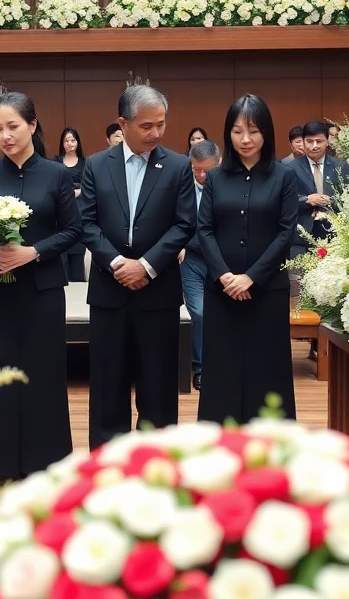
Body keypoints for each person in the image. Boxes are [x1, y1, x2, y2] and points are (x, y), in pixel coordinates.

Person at [0, 93, 81, 478]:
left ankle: (44, 455)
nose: (6, 136)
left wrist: (34, 252)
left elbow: (74, 230)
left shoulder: (56, 174)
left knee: (41, 368)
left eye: (13, 126)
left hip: (41, 290)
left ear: (32, 125)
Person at [80, 82, 195, 449]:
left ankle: (156, 461)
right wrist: (118, 263)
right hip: (109, 291)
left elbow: (184, 225)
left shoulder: (177, 166)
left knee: (158, 386)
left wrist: (145, 266)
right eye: (146, 126)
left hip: (157, 293)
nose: (155, 133)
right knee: (107, 385)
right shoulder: (97, 165)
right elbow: (86, 223)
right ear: (123, 123)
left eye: (160, 124)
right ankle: (107, 462)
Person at [196, 95, 299, 424]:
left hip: (267, 291)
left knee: (267, 368)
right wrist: (224, 276)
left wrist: (251, 277)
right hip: (221, 291)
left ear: (266, 132)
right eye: (237, 131)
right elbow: (204, 229)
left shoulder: (284, 177)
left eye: (253, 131)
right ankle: (219, 439)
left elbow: (285, 233)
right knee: (221, 368)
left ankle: (270, 440)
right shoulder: (215, 177)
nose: (245, 139)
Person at [181, 140, 220, 391]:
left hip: (222, 261)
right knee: (200, 312)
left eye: (208, 170)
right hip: (191, 259)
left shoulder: (227, 185)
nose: (202, 176)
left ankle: (224, 365)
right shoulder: (182, 187)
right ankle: (201, 368)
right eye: (197, 170)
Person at [289, 120, 349, 257]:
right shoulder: (290, 168)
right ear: (303, 142)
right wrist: (307, 200)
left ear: (327, 141)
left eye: (319, 141)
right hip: (301, 237)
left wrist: (329, 202)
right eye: (309, 141)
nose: (314, 146)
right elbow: (283, 201)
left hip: (334, 234)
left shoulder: (340, 166)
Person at [56, 127, 88, 281]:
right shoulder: (55, 163)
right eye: (66, 141)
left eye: (73, 140)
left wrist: (79, 191)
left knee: (77, 252)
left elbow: (90, 186)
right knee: (61, 252)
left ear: (78, 142)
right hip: (60, 213)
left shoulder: (86, 163)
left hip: (79, 211)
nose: (69, 144)